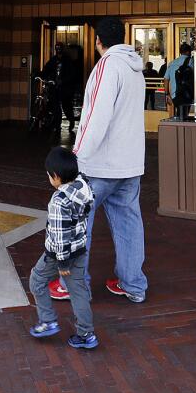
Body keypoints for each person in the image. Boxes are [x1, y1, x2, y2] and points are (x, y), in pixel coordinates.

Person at [52, 16, 147, 304]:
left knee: (79, 225)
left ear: (98, 41)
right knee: (129, 224)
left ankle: (73, 286)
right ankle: (133, 284)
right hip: (130, 165)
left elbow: (96, 116)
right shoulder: (135, 69)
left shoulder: (107, 65)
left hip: (100, 166)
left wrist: (75, 155)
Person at [28, 146, 98, 349]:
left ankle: (47, 320)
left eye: (49, 176)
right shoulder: (84, 186)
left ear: (56, 177)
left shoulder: (59, 201)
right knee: (78, 292)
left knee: (37, 279)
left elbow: (59, 236)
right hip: (80, 250)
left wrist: (62, 262)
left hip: (59, 255)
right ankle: (87, 335)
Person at [41, 42, 81, 132]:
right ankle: (57, 126)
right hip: (55, 88)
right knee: (56, 108)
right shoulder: (53, 60)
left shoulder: (68, 60)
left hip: (65, 88)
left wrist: (64, 81)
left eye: (60, 48)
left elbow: (72, 74)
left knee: (66, 106)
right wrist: (40, 75)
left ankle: (71, 121)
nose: (58, 49)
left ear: (62, 49)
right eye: (56, 48)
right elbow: (46, 69)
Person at [165, 43, 194, 120]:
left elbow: (166, 79)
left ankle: (178, 128)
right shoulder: (190, 61)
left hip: (175, 95)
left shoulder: (172, 63)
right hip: (187, 93)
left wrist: (167, 94)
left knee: (180, 114)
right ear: (188, 52)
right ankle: (180, 130)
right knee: (184, 116)